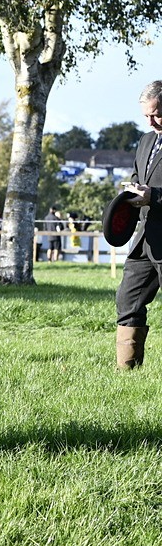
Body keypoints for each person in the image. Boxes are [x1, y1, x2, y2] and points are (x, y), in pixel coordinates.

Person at [114, 80, 162, 369]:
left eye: (157, 114)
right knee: (127, 299)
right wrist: (132, 190)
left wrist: (153, 196)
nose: (151, 121)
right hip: (145, 237)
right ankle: (128, 370)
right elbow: (137, 175)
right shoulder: (145, 141)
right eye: (146, 115)